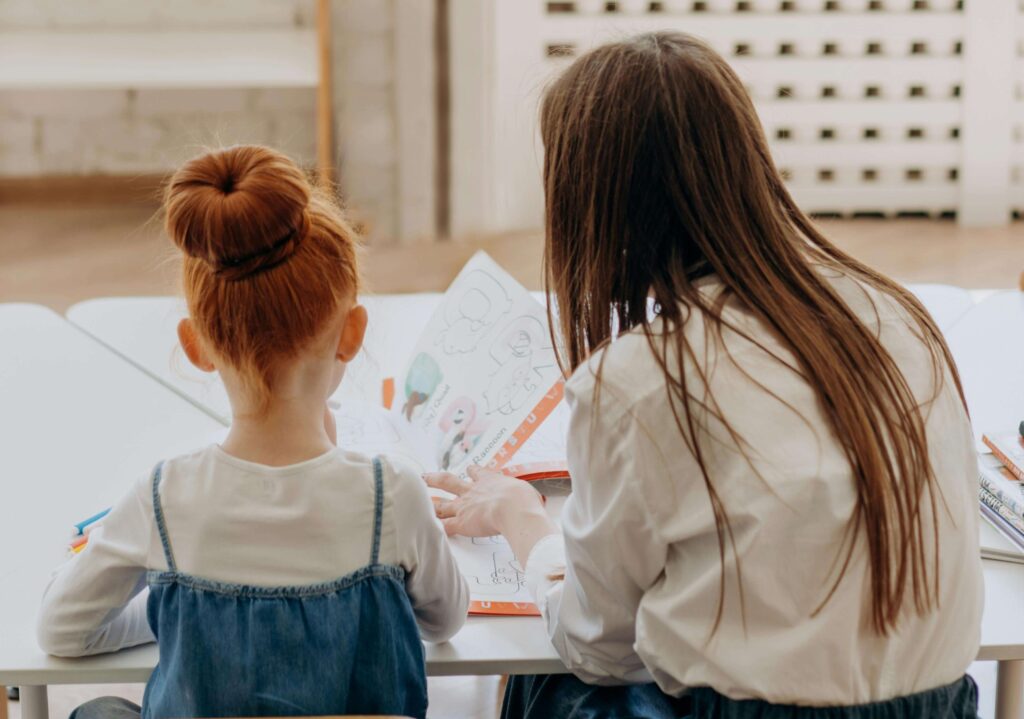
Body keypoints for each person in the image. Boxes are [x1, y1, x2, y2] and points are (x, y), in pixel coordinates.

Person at [427, 32, 982, 719]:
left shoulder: (636, 381)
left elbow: (597, 646)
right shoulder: (900, 319)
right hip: (943, 704)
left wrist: (524, 521)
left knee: (552, 682)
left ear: (599, 209)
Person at [38, 145, 468, 719]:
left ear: (196, 347)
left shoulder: (163, 499)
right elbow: (445, 621)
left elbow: (61, 632)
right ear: (352, 332)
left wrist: (176, 597)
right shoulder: (394, 495)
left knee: (96, 712)